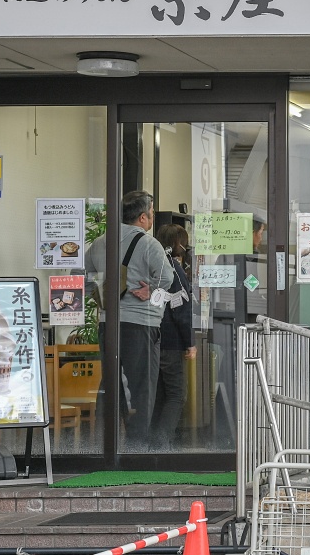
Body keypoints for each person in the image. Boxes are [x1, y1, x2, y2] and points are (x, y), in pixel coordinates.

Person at [84, 191, 174, 443]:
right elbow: (167, 278)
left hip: (108, 324)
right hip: (141, 324)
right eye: (152, 213)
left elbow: (81, 275)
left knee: (112, 382)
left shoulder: (101, 242)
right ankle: (137, 444)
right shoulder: (148, 244)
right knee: (142, 386)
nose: (153, 218)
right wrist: (152, 290)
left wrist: (101, 296)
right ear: (143, 217)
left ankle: (110, 441)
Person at [151, 223, 197, 449]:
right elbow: (182, 309)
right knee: (177, 395)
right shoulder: (173, 269)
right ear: (179, 243)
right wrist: (189, 342)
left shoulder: (154, 266)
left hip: (153, 339)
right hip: (171, 341)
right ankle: (162, 443)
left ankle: (150, 444)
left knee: (159, 394)